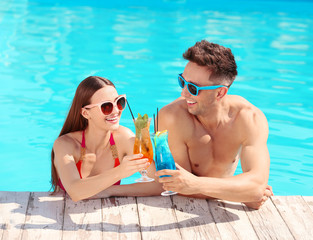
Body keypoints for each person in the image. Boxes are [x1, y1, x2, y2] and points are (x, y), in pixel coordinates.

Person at [155, 40, 273, 209]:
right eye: (182, 82)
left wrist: (195, 184)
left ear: (220, 92)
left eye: (193, 88)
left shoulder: (249, 118)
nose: (183, 92)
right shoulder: (171, 117)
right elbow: (176, 185)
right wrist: (239, 193)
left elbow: (257, 185)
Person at [50, 76, 151, 202]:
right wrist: (120, 171)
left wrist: (109, 191)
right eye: (106, 106)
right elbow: (75, 192)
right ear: (86, 113)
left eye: (119, 102)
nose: (115, 111)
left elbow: (161, 183)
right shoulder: (65, 145)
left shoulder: (124, 137)